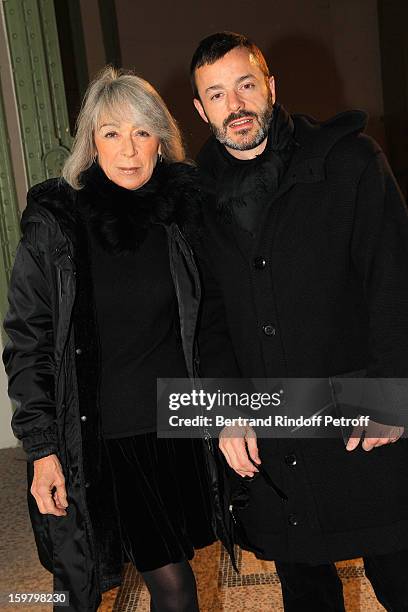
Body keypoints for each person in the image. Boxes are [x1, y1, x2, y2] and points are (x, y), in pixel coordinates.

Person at [191, 31, 408, 611]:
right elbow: (206, 318)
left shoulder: (352, 162)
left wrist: (391, 393)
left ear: (270, 86)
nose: (234, 105)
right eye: (216, 94)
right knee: (306, 590)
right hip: (276, 431)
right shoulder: (194, 199)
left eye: (245, 85)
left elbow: (394, 282)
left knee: (400, 575)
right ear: (200, 109)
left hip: (361, 415)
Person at [2, 66, 216, 612]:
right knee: (81, 586)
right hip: (95, 435)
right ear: (90, 142)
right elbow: (28, 340)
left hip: (171, 427)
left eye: (142, 132)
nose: (128, 149)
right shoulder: (57, 224)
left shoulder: (181, 218)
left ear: (161, 141)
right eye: (111, 132)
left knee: (174, 578)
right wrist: (42, 449)